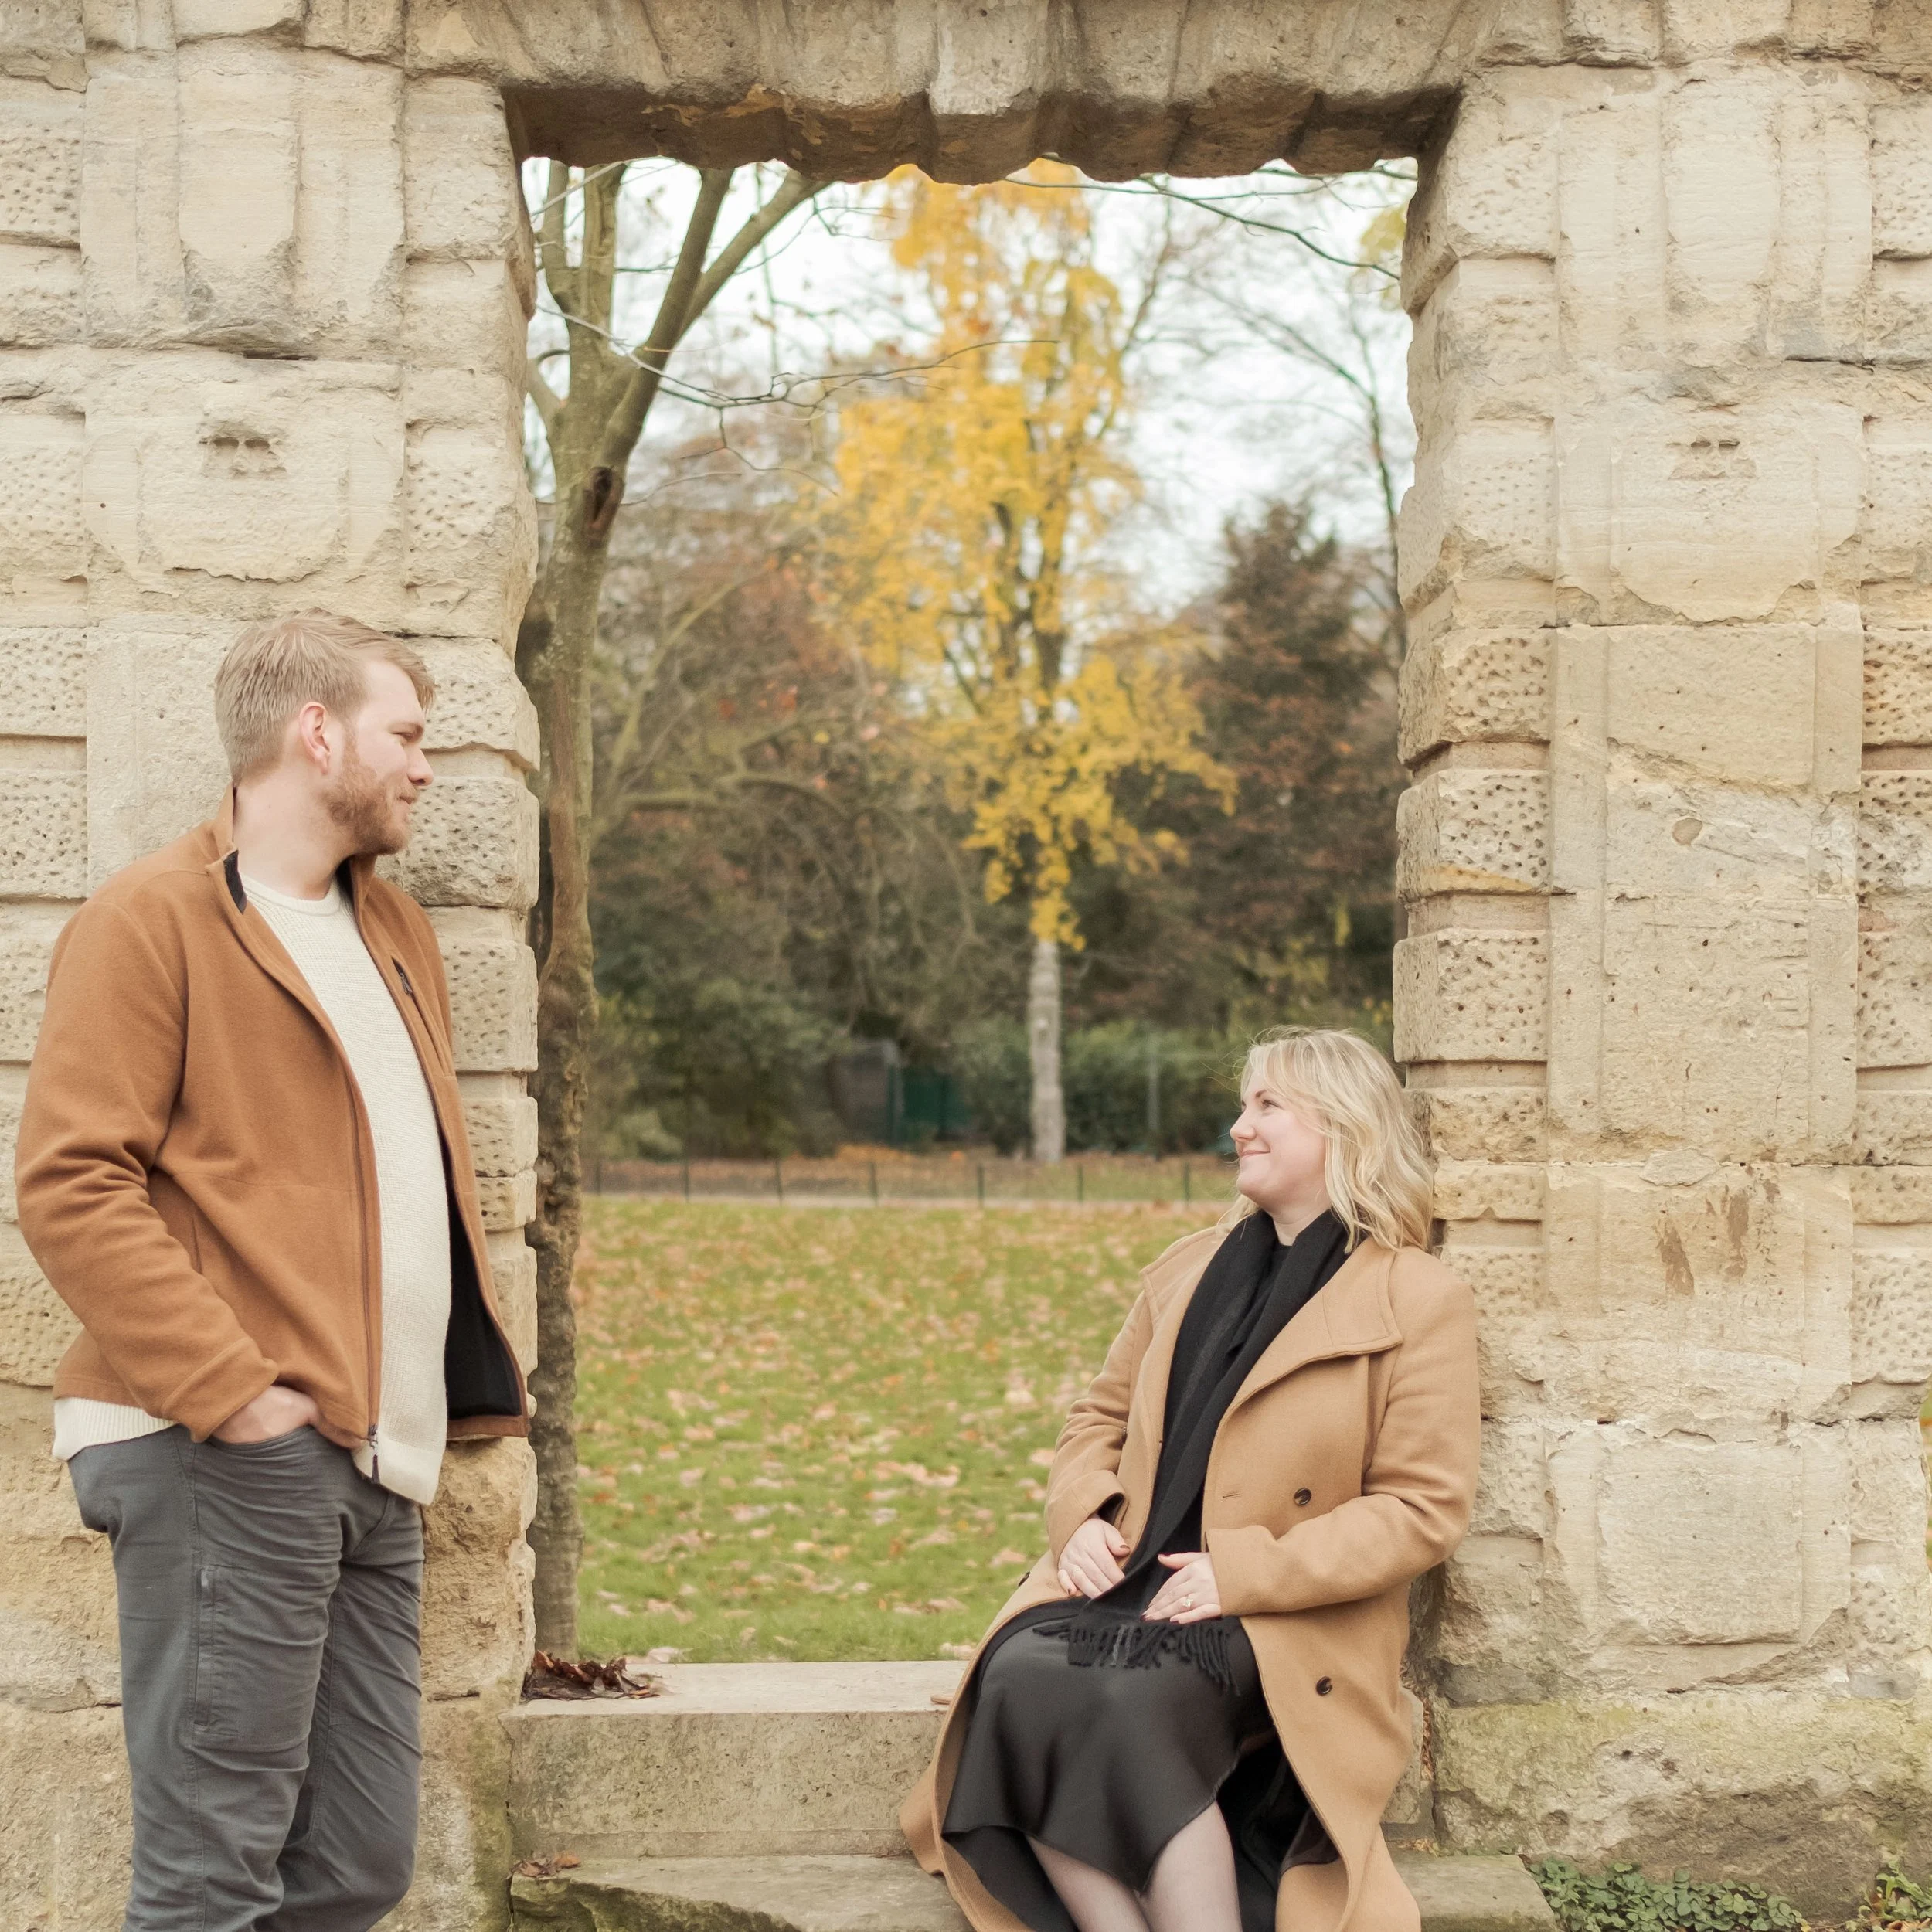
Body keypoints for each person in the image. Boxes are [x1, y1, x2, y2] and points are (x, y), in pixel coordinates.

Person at [17, 611, 529, 1932]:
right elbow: (72, 1181)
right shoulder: (150, 924)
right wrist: (233, 1393)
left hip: (372, 1460)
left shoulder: (391, 929)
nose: (427, 766)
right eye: (406, 734)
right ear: (316, 733)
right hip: (224, 1449)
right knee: (210, 1876)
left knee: (356, 1863)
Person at [902, 1026, 1480, 1932]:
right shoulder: (1185, 1271)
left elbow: (1421, 1509)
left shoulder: (1414, 1297)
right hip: (1131, 1584)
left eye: (1266, 1106)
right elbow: (1093, 1418)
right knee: (1019, 1679)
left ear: (1343, 1128)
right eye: (1244, 1105)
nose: (1237, 1127)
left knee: (1132, 1705)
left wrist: (1242, 1574)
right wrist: (1082, 1519)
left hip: (1283, 1619)